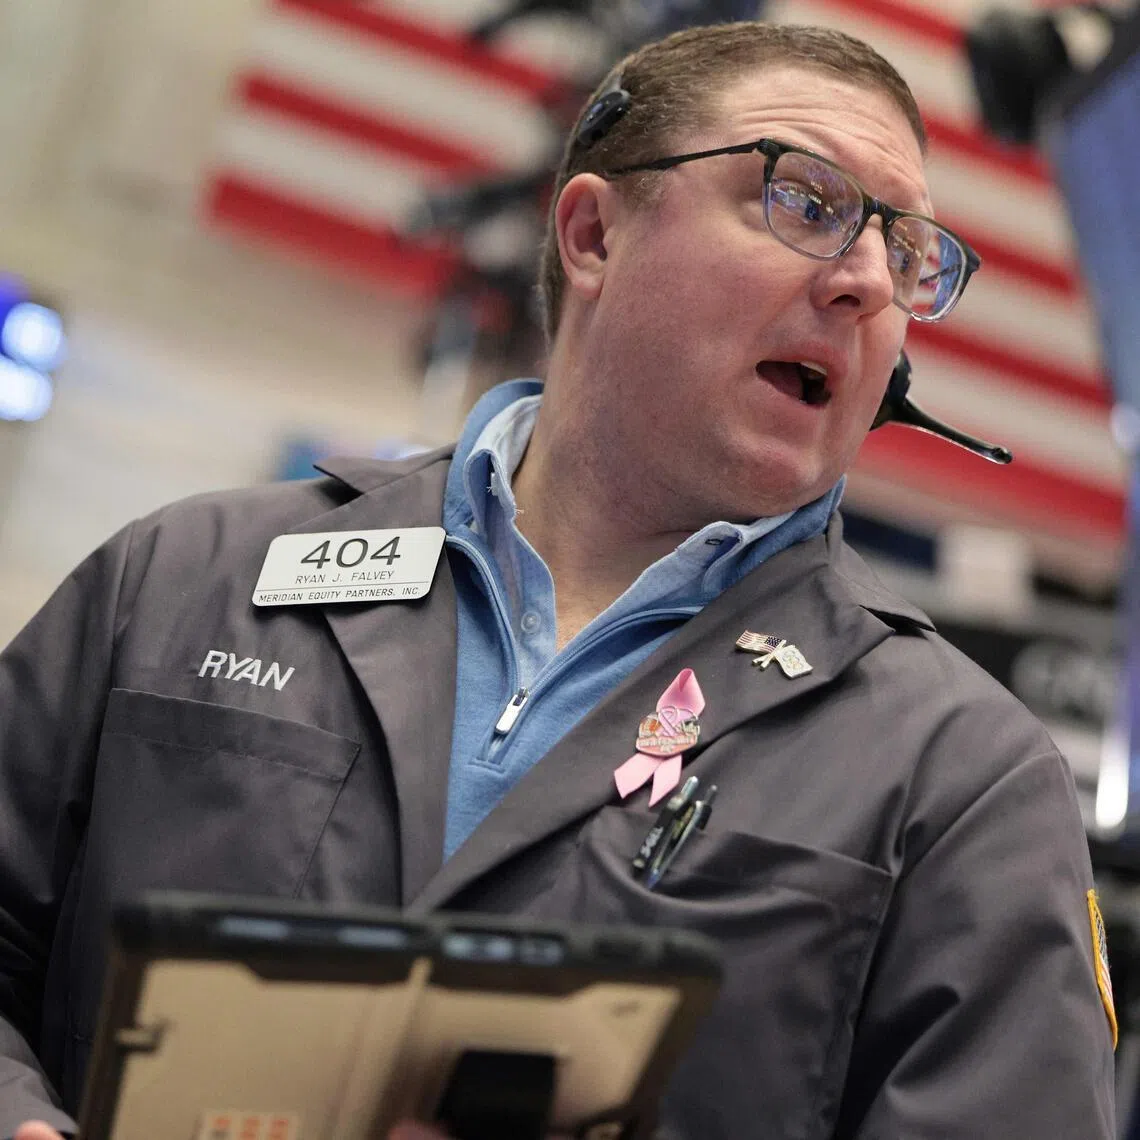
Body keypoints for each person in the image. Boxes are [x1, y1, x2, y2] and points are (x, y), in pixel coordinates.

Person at [0, 20, 1116, 1140]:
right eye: (809, 204)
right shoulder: (187, 578)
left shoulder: (964, 782)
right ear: (592, 234)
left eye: (910, 252)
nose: (870, 282)